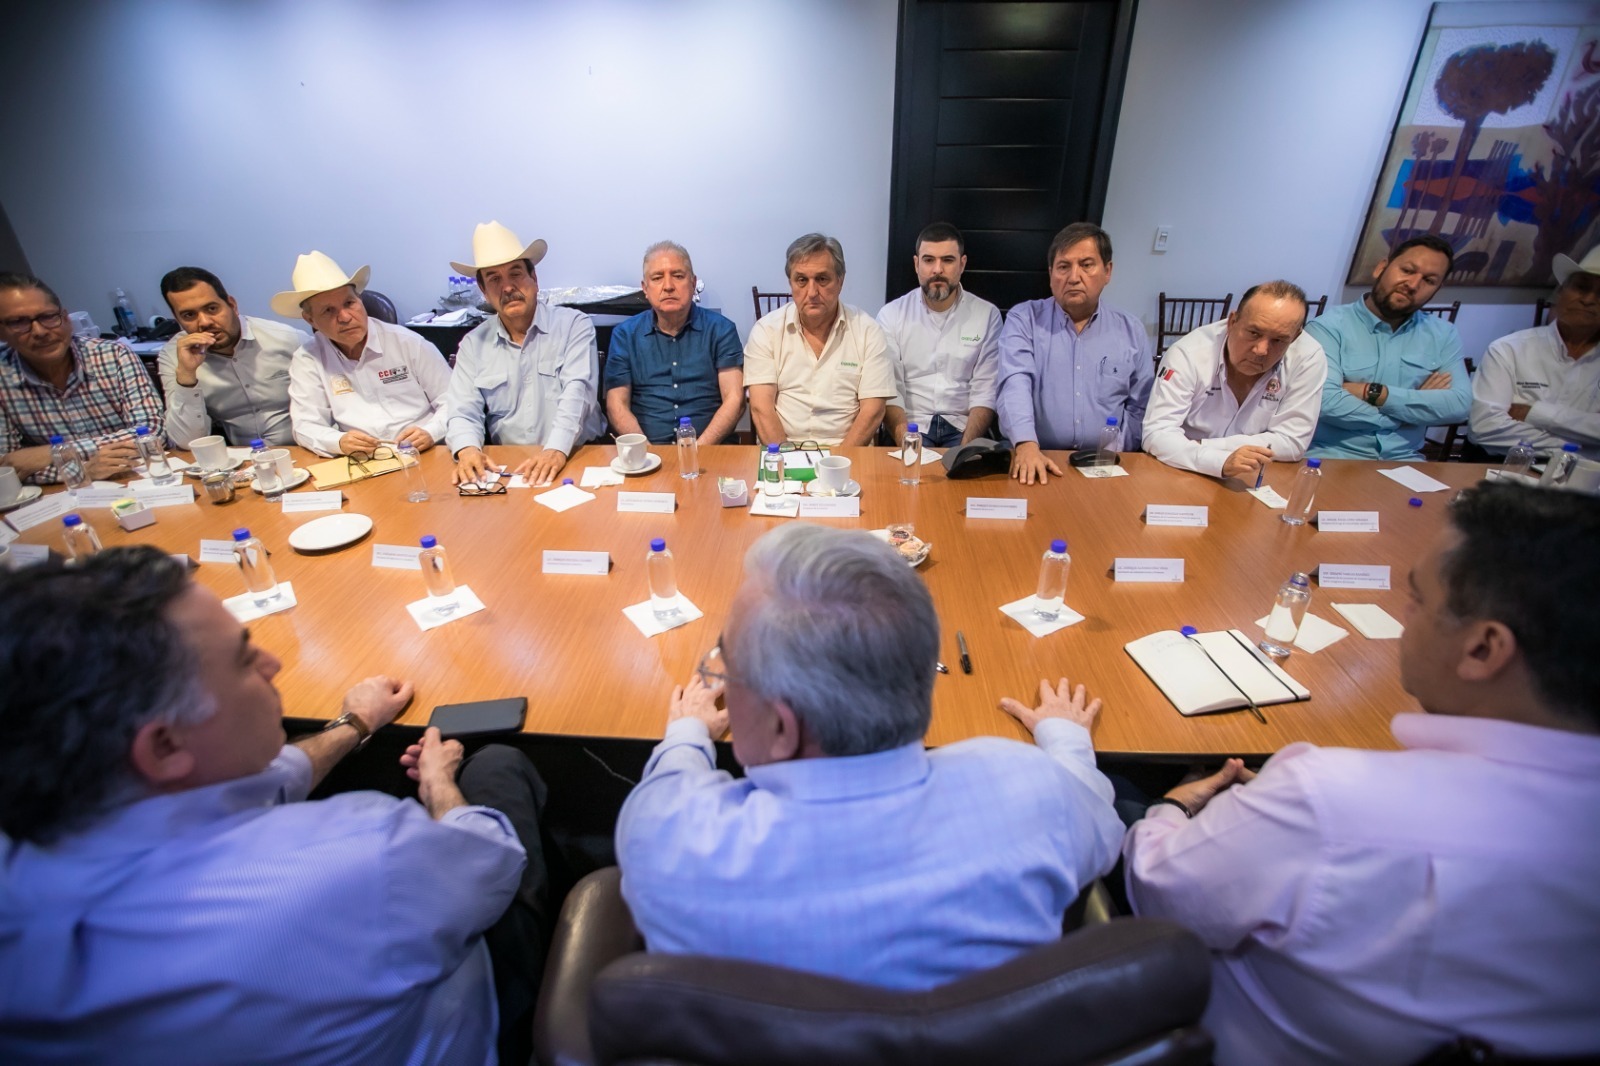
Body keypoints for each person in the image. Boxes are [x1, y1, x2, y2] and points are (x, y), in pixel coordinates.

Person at [0, 547, 552, 1065]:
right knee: (497, 768)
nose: (272, 662)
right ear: (163, 746)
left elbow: (261, 779)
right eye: (243, 660)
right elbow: (493, 861)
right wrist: (438, 786)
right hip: (457, 1023)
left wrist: (355, 724)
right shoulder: (360, 851)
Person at [1117, 482, 1600, 1065]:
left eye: (1417, 598)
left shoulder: (1330, 799)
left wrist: (1173, 808)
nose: (1404, 616)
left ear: (1483, 649)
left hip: (1214, 1035)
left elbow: (1158, 890)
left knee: (1118, 791)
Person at [615, 523, 1124, 991]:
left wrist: (687, 730)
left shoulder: (669, 838)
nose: (719, 675)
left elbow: (668, 786)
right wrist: (1065, 737)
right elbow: (1101, 818)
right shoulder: (1035, 793)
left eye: (727, 663)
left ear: (781, 727)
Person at [445, 221, 606, 486]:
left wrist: (555, 450)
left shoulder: (574, 325)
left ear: (535, 279)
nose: (508, 287)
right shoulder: (473, 344)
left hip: (576, 456)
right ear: (484, 291)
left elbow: (578, 394)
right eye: (494, 279)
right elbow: (462, 411)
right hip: (510, 467)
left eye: (516, 274)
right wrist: (468, 449)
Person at [996, 223, 1152, 485]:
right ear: (1051, 274)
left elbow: (1140, 405)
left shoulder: (1131, 330)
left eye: (1086, 265)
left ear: (1107, 271)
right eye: (1063, 266)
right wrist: (1026, 444)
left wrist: (1118, 451)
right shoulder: (1024, 319)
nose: (1074, 277)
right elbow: (1014, 384)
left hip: (1109, 464)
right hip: (1037, 457)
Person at [1142, 280, 1326, 481]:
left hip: (1253, 473)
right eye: (1254, 333)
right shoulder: (1189, 353)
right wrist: (1219, 461)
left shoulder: (1308, 357)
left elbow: (1292, 443)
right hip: (1181, 470)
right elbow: (1157, 433)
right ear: (1232, 322)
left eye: (1278, 340)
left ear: (1296, 337)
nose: (1261, 350)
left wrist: (1207, 447)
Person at [1307, 234, 1470, 460]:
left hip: (1407, 459)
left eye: (1429, 280)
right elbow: (1327, 402)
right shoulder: (1328, 328)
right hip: (1332, 456)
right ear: (1381, 268)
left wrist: (1375, 394)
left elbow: (1460, 405)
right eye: (1407, 270)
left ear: (1437, 289)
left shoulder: (1443, 334)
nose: (1413, 285)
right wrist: (1411, 412)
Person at [278, 251, 451, 458]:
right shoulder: (308, 358)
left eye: (349, 303)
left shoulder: (409, 343)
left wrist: (431, 432)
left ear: (360, 301)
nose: (344, 317)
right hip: (362, 459)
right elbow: (305, 425)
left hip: (426, 452)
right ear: (310, 320)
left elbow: (453, 400)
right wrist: (339, 442)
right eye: (328, 311)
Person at [0, 272, 158, 483]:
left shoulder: (113, 355)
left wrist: (53, 454)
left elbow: (151, 432)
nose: (39, 331)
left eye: (48, 317)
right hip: (61, 495)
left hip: (135, 477)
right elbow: (8, 469)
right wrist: (82, 470)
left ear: (66, 318)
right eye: (18, 322)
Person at [744, 234, 897, 447]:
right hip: (782, 451)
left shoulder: (868, 331)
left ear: (840, 281)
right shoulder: (766, 331)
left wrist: (838, 462)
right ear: (790, 283)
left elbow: (873, 411)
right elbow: (761, 409)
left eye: (822, 279)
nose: (812, 292)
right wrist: (789, 461)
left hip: (848, 453)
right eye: (801, 280)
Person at [876, 222, 1003, 448]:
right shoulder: (891, 315)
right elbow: (890, 389)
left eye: (947, 260)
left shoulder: (987, 315)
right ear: (916, 264)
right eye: (928, 260)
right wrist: (909, 446)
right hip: (911, 426)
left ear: (962, 264)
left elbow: (985, 391)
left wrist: (964, 451)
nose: (937, 269)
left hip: (963, 428)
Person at [604, 241, 744, 445]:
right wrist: (647, 452)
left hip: (711, 448)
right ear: (645, 288)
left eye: (678, 276)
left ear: (693, 283)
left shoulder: (721, 330)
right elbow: (616, 405)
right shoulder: (625, 335)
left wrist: (697, 451)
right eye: (657, 278)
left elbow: (735, 399)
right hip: (646, 450)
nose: (668, 286)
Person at [1468, 246, 1600, 459]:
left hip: (1588, 473)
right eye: (1581, 287)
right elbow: (1485, 428)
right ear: (1560, 292)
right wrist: (1584, 447)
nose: (1588, 299)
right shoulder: (1508, 349)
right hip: (1504, 464)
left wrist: (1534, 412)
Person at [157, 266, 310, 448]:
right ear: (178, 320)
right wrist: (187, 375)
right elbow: (187, 442)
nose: (204, 322)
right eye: (189, 315)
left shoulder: (289, 339)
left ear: (232, 305)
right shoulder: (175, 356)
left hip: (302, 448)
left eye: (212, 308)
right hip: (240, 457)